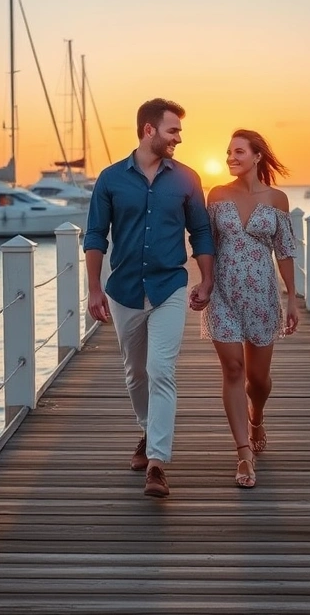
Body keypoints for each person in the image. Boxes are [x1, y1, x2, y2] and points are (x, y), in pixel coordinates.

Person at [83, 98, 215, 498]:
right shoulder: (109, 180)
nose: (179, 138)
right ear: (148, 131)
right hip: (123, 290)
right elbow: (94, 236)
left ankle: (157, 462)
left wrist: (206, 280)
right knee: (135, 374)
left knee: (161, 370)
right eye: (173, 130)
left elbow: (202, 233)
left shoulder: (188, 179)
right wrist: (93, 288)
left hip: (169, 287)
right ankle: (146, 431)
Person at [202, 129, 299, 489]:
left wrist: (292, 298)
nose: (230, 157)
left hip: (262, 299)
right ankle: (244, 453)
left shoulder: (277, 199)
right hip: (224, 296)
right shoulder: (218, 195)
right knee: (232, 369)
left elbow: (285, 251)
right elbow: (207, 247)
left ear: (257, 156)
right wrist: (204, 283)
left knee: (257, 381)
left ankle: (257, 416)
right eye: (228, 152)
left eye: (238, 151)